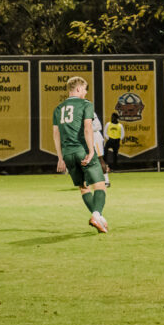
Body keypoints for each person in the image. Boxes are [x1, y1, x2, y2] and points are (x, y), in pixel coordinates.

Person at [51, 76, 110, 233]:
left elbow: (56, 134)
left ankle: (99, 219)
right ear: (78, 89)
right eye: (84, 89)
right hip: (82, 151)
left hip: (67, 153)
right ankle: (97, 215)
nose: (85, 92)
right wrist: (91, 151)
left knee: (84, 188)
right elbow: (87, 128)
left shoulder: (58, 108)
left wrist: (60, 157)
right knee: (100, 185)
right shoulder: (85, 104)